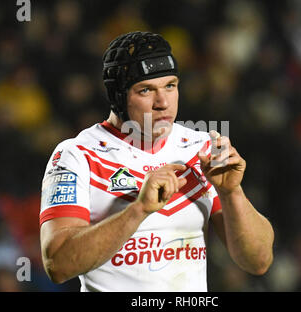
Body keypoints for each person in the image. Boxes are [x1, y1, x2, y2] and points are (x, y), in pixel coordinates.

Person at [39, 31, 274, 291]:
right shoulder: (76, 156)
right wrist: (138, 210)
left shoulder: (202, 149)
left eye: (170, 86)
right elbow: (58, 265)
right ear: (118, 95)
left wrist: (232, 193)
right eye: (146, 90)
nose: (163, 103)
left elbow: (258, 261)